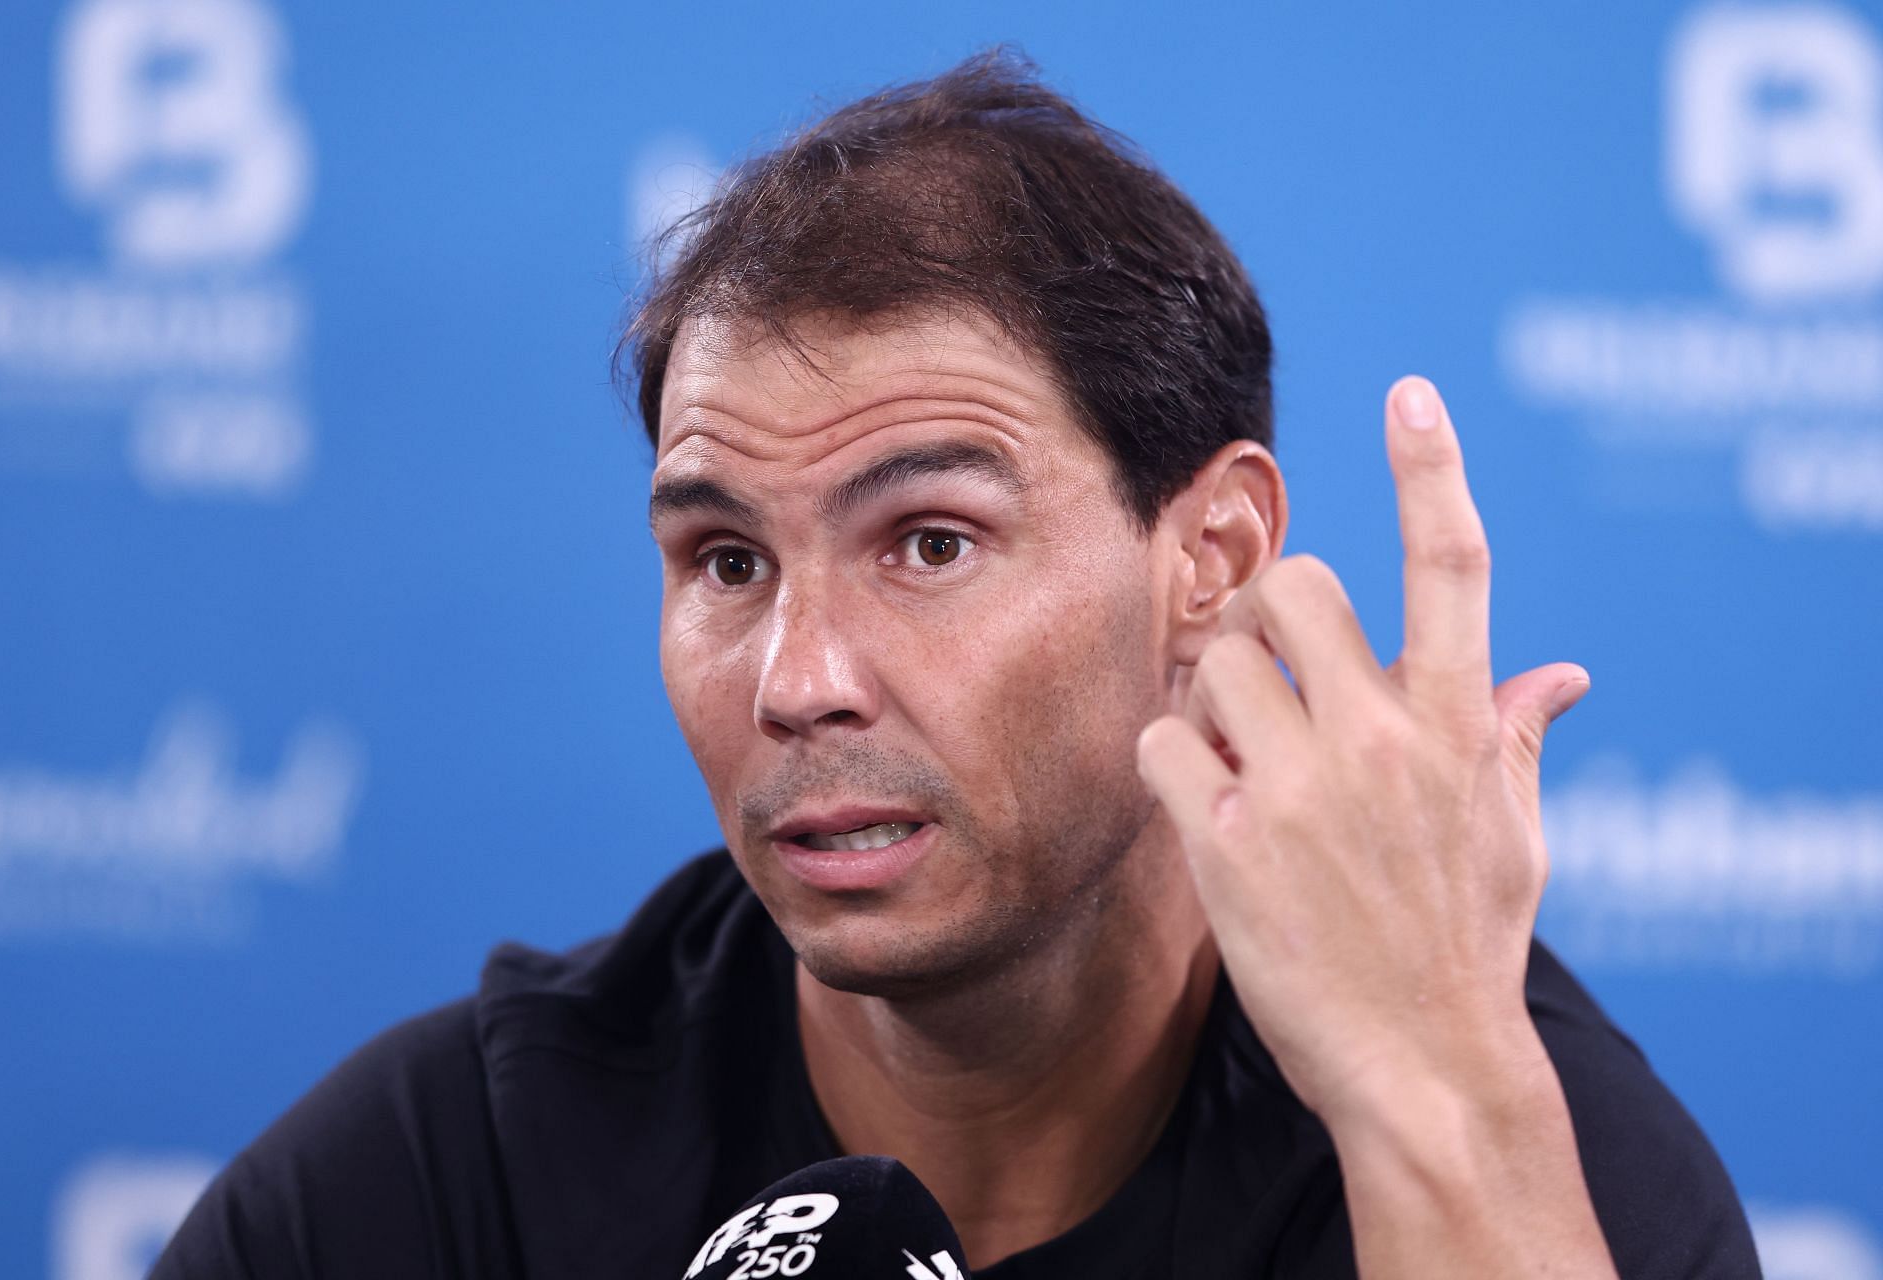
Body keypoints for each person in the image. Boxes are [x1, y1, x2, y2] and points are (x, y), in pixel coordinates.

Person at [153, 51, 1759, 1279]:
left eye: (929, 543)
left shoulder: (1534, 1163)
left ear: (1208, 562)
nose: (799, 680)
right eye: (726, 562)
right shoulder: (461, 1181)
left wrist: (1428, 1097)